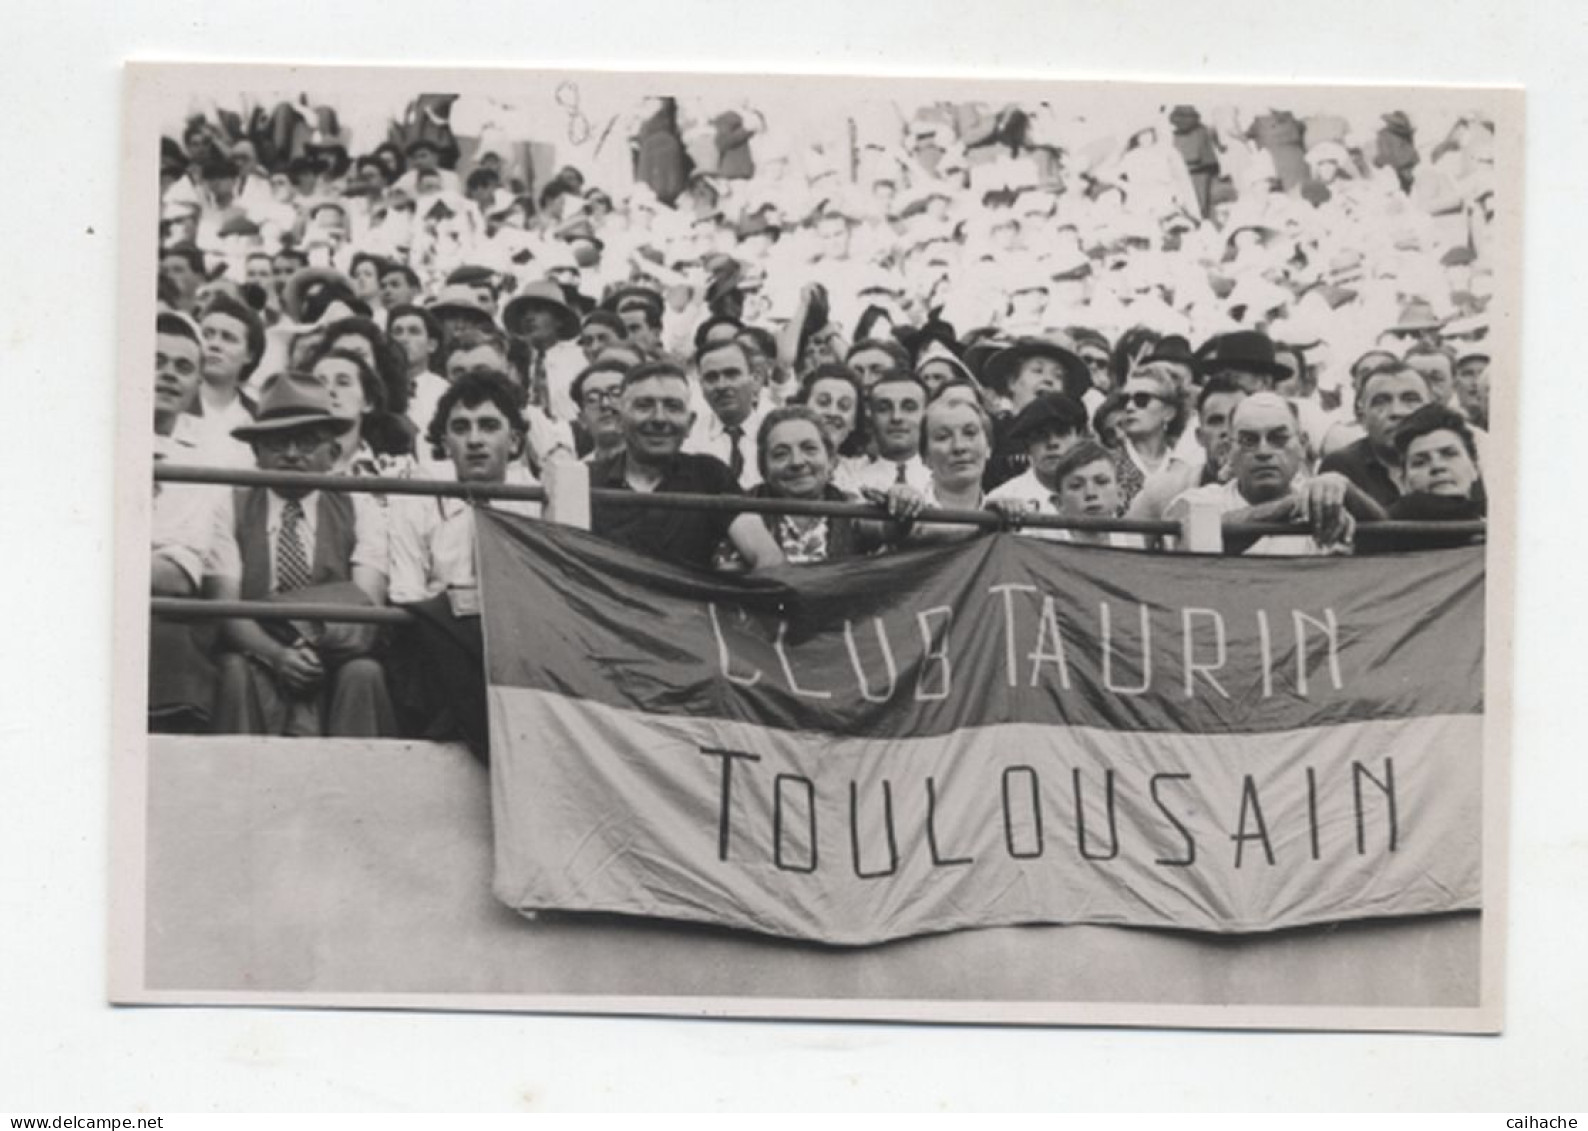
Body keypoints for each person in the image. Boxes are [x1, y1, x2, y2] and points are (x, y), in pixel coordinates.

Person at [206, 371, 397, 736]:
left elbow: (367, 605)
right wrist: (279, 656)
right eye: (278, 443)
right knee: (231, 670)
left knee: (365, 672)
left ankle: (361, 786)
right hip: (258, 653)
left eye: (307, 442)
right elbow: (225, 608)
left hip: (336, 653)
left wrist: (304, 647)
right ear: (257, 453)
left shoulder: (359, 505)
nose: (292, 454)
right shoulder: (230, 505)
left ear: (333, 453)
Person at [388, 372, 542, 754]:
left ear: (515, 441)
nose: (474, 440)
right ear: (445, 443)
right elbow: (407, 594)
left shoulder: (539, 507)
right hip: (441, 651)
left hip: (518, 650)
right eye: (461, 428)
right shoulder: (416, 504)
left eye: (489, 426)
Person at [589, 361, 785, 572]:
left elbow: (768, 556)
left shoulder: (710, 475)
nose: (659, 418)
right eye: (644, 405)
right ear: (620, 421)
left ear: (690, 423)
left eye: (673, 407)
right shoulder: (586, 480)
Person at [1166, 393, 1381, 555]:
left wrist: (1346, 487)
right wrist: (1290, 505)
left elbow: (1393, 543)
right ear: (1230, 450)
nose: (1264, 452)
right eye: (1248, 440)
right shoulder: (1198, 500)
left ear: (1303, 445)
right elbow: (1195, 539)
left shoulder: (1324, 503)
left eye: (1278, 438)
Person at [149, 313, 224, 731]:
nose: (167, 375)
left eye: (182, 367)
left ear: (198, 383)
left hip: (163, 616)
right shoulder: (85, 433)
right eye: (156, 361)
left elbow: (180, 574)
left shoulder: (206, 454)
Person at [876, 398, 1027, 546]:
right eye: (943, 437)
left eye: (970, 433)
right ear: (925, 457)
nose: (959, 447)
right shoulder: (902, 504)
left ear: (988, 448)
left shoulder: (1007, 510)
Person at [748, 406, 867, 563]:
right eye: (781, 454)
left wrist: (903, 502)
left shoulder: (854, 508)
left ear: (831, 460)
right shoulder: (743, 512)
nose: (797, 462)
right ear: (763, 468)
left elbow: (893, 531)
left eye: (809, 449)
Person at [1127, 375, 1248, 522]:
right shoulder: (1162, 493)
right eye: (1216, 421)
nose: (1226, 431)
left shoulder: (1277, 491)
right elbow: (1125, 542)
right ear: (1199, 436)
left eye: (1235, 419)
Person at [980, 337, 1090, 490]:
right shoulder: (991, 430)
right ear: (1012, 381)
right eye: (1037, 371)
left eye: (1058, 376)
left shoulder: (1077, 436)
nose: (1048, 380)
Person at [1318, 361, 1430, 509]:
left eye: (1410, 399)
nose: (1397, 411)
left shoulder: (1454, 458)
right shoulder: (1342, 467)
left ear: (1432, 407)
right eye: (1380, 402)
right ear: (1361, 415)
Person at [985, 392, 1092, 540]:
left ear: (1080, 438)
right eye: (1040, 435)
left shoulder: (1098, 492)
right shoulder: (1004, 498)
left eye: (1062, 433)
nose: (1052, 443)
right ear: (1027, 445)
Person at [188, 294, 263, 464]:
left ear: (250, 355)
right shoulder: (175, 406)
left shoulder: (259, 418)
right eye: (206, 335)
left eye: (228, 337)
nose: (214, 344)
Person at [1111, 361, 1196, 508]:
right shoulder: (1106, 461)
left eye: (1142, 399)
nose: (1129, 407)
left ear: (1169, 412)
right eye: (1124, 400)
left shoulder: (1188, 463)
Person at [684, 338, 768, 486]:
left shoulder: (773, 433)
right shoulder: (688, 439)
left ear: (755, 380)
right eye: (711, 378)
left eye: (732, 374)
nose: (721, 385)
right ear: (701, 387)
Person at [1046, 440, 1144, 548]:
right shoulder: (1046, 546)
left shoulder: (1137, 542)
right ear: (1059, 503)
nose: (1091, 493)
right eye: (1076, 485)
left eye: (1101, 482)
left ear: (1121, 495)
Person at [791, 363, 871, 490]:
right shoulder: (783, 463)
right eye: (823, 402)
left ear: (854, 423)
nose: (833, 412)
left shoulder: (863, 471)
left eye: (844, 406)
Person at [849, 372, 932, 492]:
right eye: (883, 409)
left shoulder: (941, 483)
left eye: (909, 408)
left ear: (926, 415)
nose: (896, 417)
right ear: (870, 416)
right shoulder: (852, 483)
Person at [570, 360, 628, 462]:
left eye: (616, 394)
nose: (605, 404)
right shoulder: (577, 473)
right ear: (582, 420)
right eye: (593, 399)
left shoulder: (660, 467)